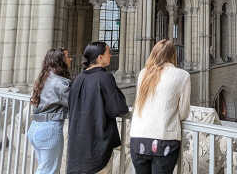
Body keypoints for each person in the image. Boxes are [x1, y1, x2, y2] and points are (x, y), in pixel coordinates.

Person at [129, 39, 191, 174]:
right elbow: (183, 113)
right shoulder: (182, 75)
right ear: (174, 55)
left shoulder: (143, 73)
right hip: (164, 140)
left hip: (138, 139)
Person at [67, 42, 129, 174]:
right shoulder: (105, 77)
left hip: (76, 147)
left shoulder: (77, 79)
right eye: (108, 53)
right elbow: (118, 108)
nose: (111, 56)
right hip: (97, 147)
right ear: (100, 58)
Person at [27, 48, 72, 174]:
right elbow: (75, 103)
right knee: (49, 171)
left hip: (36, 127)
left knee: (45, 168)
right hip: (49, 130)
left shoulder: (44, 78)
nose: (70, 59)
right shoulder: (59, 83)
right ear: (60, 61)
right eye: (67, 56)